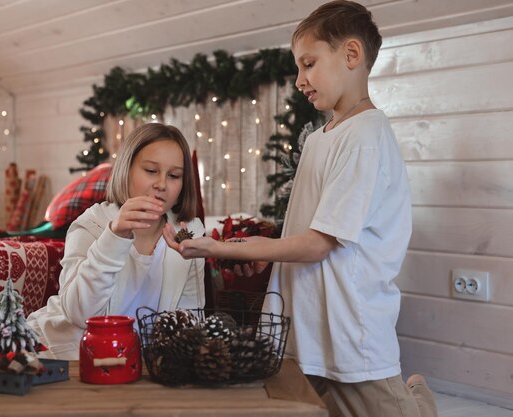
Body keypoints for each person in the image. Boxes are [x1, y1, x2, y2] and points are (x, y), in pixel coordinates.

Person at [163, 2, 437, 416]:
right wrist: (258, 258)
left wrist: (226, 248)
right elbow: (303, 230)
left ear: (350, 55)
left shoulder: (365, 135)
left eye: (308, 64)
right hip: (306, 321)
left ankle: (419, 397)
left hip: (349, 327)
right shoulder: (319, 138)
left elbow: (317, 245)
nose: (299, 80)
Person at [28, 123, 205, 360]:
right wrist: (115, 236)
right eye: (151, 171)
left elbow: (190, 317)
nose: (162, 184)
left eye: (173, 176)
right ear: (127, 170)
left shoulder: (189, 232)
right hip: (63, 356)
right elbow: (79, 313)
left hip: (138, 367)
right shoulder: (91, 225)